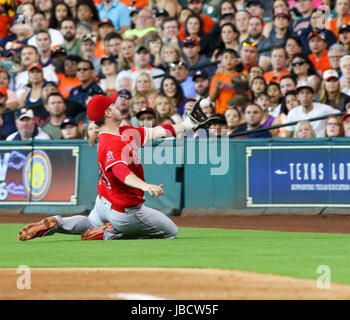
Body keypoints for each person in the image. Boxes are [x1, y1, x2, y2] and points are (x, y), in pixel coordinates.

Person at [209, 48, 239, 114]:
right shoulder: (216, 78)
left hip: (236, 112)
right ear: (221, 61)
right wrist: (217, 88)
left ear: (237, 61)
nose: (229, 60)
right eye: (226, 58)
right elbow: (211, 99)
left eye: (232, 57)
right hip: (220, 112)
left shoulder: (240, 77)